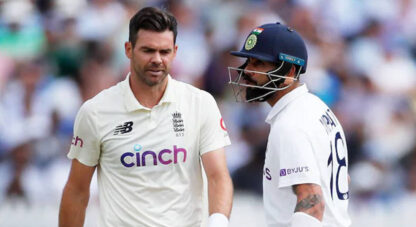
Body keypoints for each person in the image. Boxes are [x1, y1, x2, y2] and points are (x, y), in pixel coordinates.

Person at [59, 7, 233, 227]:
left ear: (175, 52)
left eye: (165, 51)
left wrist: (218, 221)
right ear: (128, 49)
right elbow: (77, 190)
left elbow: (218, 175)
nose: (157, 60)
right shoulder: (96, 112)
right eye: (148, 50)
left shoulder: (200, 103)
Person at [228, 23, 351, 227]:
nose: (246, 71)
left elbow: (312, 204)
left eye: (258, 63)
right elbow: (343, 180)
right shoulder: (318, 107)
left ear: (289, 72)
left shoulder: (290, 124)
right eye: (248, 61)